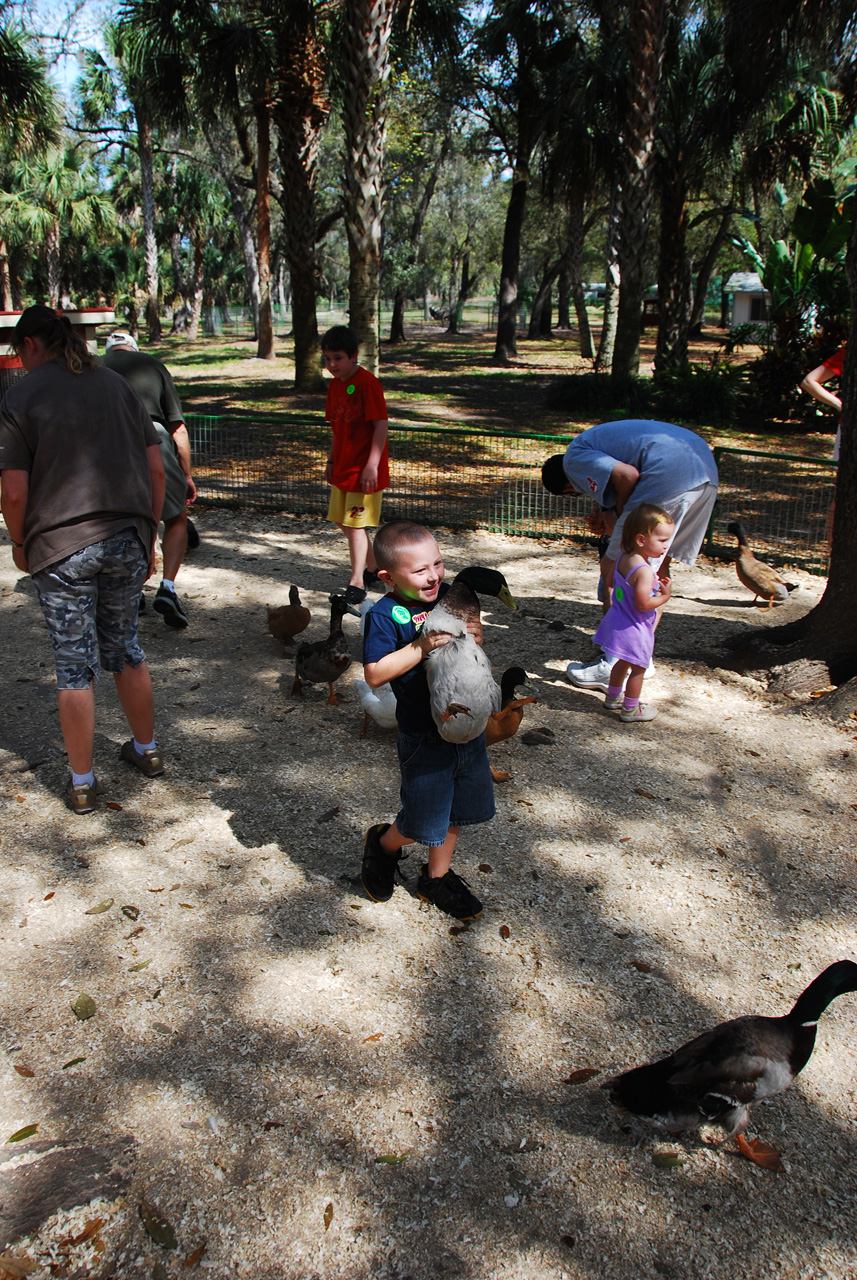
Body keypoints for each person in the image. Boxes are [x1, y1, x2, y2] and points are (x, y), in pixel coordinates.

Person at [0, 306, 166, 815]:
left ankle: (81, 782)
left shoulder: (20, 396)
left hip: (62, 546)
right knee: (126, 647)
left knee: (74, 665)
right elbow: (156, 468)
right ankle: (147, 751)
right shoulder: (115, 385)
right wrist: (151, 533)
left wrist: (20, 542)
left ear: (29, 345)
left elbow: (12, 491)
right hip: (127, 537)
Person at [360, 520, 493, 921]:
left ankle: (436, 876)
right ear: (387, 577)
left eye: (438, 563)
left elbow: (471, 639)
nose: (434, 575)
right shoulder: (385, 616)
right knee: (423, 818)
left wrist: (474, 634)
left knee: (457, 809)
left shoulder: (449, 596)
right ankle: (384, 844)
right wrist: (421, 645)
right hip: (423, 733)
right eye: (420, 570)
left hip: (465, 727)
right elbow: (375, 673)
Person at [541, 419, 718, 692]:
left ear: (567, 487)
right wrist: (612, 516)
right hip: (704, 473)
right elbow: (625, 480)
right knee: (656, 568)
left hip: (670, 475)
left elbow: (628, 476)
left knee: (616, 570)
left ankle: (613, 664)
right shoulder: (595, 443)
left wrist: (621, 517)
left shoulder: (574, 459)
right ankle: (639, 659)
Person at [101, 331, 196, 628]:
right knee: (176, 518)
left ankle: (133, 590)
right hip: (155, 438)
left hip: (109, 445)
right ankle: (167, 586)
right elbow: (177, 427)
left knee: (125, 520)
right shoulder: (153, 365)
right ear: (134, 348)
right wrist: (187, 474)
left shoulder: (92, 367)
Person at [321, 325, 389, 607]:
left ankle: (357, 581)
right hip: (344, 468)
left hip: (364, 472)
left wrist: (372, 464)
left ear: (353, 356)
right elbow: (337, 429)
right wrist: (331, 459)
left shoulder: (367, 383)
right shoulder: (336, 386)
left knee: (355, 523)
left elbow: (380, 425)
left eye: (337, 358)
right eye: (327, 359)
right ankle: (374, 567)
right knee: (341, 519)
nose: (332, 365)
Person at [592, 504, 674, 722]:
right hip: (636, 627)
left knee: (622, 662)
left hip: (617, 621)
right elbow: (643, 603)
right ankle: (630, 708)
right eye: (662, 540)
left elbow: (609, 582)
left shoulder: (622, 558)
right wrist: (665, 596)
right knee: (638, 669)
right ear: (641, 539)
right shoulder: (645, 571)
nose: (667, 545)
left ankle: (612, 697)